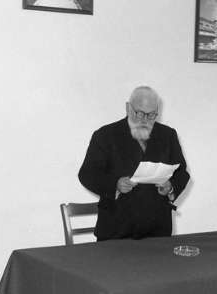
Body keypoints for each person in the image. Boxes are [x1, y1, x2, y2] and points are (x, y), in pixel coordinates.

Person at [78, 86, 190, 241]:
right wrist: (115, 185)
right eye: (140, 113)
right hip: (115, 230)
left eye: (151, 115)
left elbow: (181, 173)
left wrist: (171, 187)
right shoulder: (105, 135)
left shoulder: (168, 135)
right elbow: (87, 174)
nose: (145, 120)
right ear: (128, 108)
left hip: (158, 229)